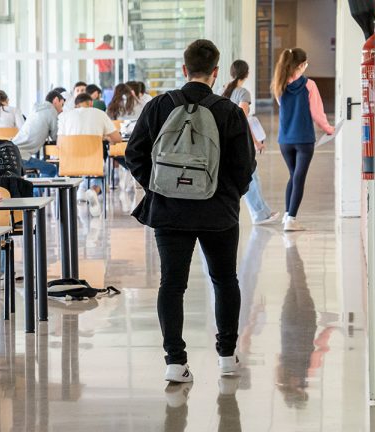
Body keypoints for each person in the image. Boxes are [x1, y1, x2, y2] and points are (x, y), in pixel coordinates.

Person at [125, 39, 255, 383]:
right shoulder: (228, 111)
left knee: (172, 284)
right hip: (219, 214)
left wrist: (158, 186)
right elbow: (245, 166)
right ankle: (227, 356)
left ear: (184, 70)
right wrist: (228, 195)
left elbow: (133, 154)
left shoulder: (158, 106)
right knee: (225, 279)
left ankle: (175, 362)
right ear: (215, 73)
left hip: (168, 211)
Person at [272, 48, 334, 231]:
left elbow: (282, 106)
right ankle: (291, 218)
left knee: (294, 176)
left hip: (285, 140)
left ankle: (286, 215)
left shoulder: (279, 84)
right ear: (300, 65)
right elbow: (317, 113)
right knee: (299, 178)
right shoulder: (309, 85)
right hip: (304, 140)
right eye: (306, 63)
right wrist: (329, 129)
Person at [221, 59, 279, 225]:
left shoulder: (221, 90)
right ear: (246, 74)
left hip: (223, 140)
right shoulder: (243, 93)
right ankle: (260, 214)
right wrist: (256, 142)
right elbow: (242, 120)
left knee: (237, 178)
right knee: (251, 176)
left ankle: (261, 212)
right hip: (238, 141)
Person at [58, 92, 122, 217]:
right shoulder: (100, 114)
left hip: (70, 165)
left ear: (76, 106)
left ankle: (79, 191)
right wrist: (103, 137)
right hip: (93, 163)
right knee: (101, 166)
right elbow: (117, 138)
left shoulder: (64, 116)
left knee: (83, 167)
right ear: (91, 103)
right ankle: (93, 190)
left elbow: (60, 144)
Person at [11, 89, 65, 178]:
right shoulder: (52, 111)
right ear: (55, 100)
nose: (62, 109)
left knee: (34, 171)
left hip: (12, 153)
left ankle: (33, 191)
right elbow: (56, 137)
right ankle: (36, 191)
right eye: (61, 104)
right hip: (22, 156)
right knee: (52, 169)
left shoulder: (35, 110)